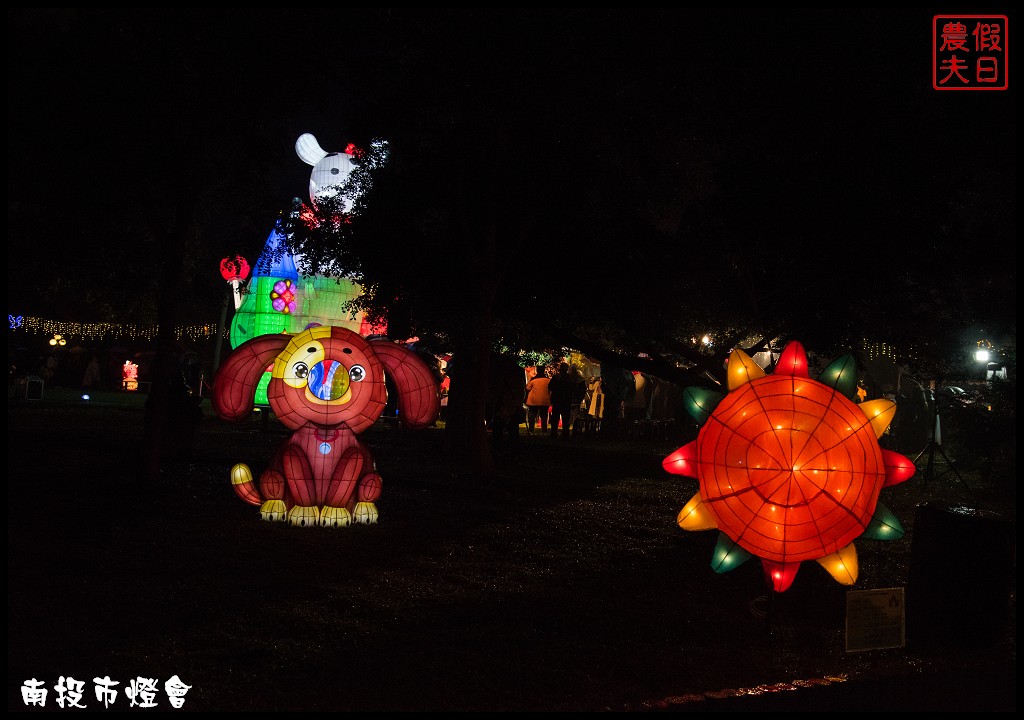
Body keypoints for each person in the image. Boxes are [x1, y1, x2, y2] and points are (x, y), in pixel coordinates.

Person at [547, 362, 576, 438]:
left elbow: (550, 387)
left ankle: (554, 433)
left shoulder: (556, 378)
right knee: (565, 418)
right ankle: (565, 433)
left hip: (557, 400)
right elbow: (573, 389)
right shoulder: (570, 378)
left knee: (555, 417)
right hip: (566, 400)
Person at [524, 365, 551, 435]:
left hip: (533, 401)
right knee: (544, 416)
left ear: (537, 371)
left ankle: (531, 431)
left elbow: (527, 388)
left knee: (532, 416)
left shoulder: (533, 379)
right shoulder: (548, 380)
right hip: (544, 400)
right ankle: (544, 431)